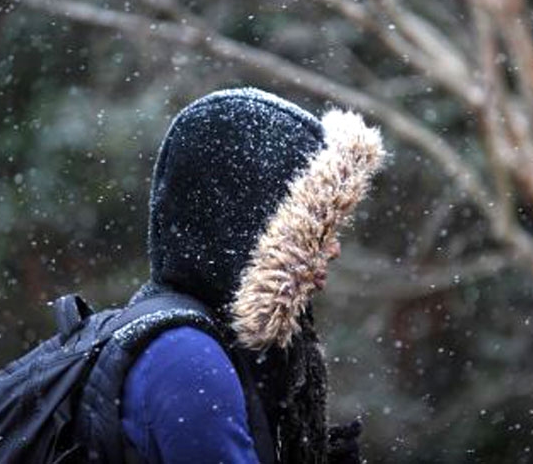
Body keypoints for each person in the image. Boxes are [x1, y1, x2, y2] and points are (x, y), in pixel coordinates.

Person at [120, 87, 385, 463]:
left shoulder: (180, 341)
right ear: (250, 228)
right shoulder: (187, 361)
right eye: (318, 230)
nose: (335, 249)